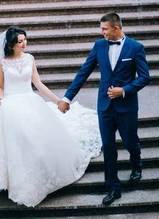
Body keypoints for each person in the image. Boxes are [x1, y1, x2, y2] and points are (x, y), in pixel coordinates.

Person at [0, 26, 101, 207]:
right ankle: (12, 180)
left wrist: (57, 100)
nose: (24, 44)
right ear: (11, 44)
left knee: (36, 140)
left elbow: (38, 83)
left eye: (25, 40)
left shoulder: (30, 59)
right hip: (9, 104)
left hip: (30, 102)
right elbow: (0, 86)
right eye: (20, 41)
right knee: (14, 143)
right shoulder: (2, 63)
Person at [58, 12, 150, 206]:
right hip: (105, 106)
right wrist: (67, 98)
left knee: (130, 141)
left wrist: (124, 90)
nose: (101, 33)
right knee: (108, 147)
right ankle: (113, 186)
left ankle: (137, 165)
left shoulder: (136, 47)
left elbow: (144, 77)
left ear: (116, 28)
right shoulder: (99, 46)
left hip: (127, 106)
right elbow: (84, 72)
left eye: (104, 29)